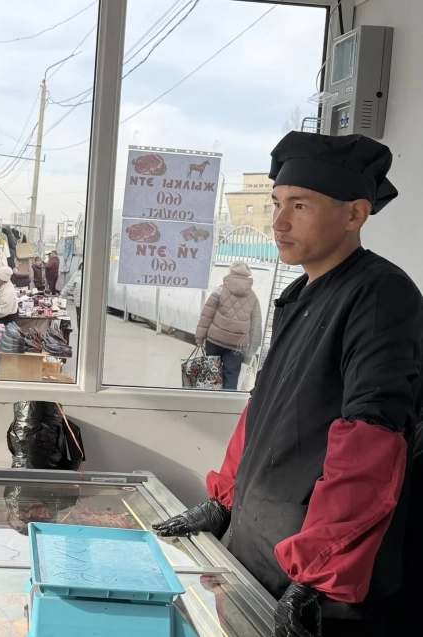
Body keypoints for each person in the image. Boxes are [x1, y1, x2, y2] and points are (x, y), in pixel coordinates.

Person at [153, 132, 423, 637]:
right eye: (277, 203)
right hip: (256, 550)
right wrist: (224, 501)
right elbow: (264, 409)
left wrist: (321, 571)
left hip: (318, 581)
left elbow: (371, 441)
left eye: (299, 205)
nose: (278, 222)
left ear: (354, 214)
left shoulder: (381, 294)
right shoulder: (299, 294)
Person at [194, 262, 263, 390]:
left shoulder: (219, 291)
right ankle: (227, 400)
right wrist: (254, 346)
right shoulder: (253, 297)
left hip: (215, 340)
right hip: (237, 345)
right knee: (231, 376)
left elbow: (207, 315)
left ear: (231, 272)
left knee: (211, 374)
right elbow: (256, 324)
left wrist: (199, 338)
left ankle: (209, 399)